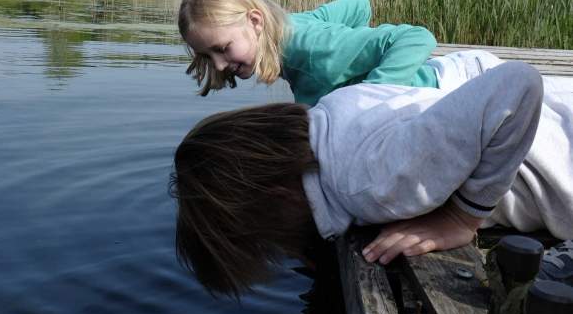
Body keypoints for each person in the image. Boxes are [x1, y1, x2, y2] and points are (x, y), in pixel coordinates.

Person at [171, 61, 573, 296]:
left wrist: (462, 218)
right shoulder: (331, 114)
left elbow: (517, 83)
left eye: (266, 240)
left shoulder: (371, 186)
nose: (283, 249)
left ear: (277, 196)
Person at [178, 0, 439, 105]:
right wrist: (349, 68)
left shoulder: (313, 49)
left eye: (222, 48)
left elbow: (416, 38)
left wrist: (363, 99)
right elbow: (361, 6)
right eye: (207, 56)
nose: (219, 65)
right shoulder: (289, 26)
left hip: (428, 96)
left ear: (255, 21)